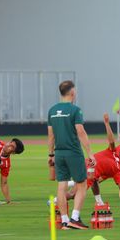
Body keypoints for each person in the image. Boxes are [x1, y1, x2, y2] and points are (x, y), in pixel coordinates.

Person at [48, 80, 95, 230]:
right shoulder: (75, 110)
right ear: (72, 92)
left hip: (58, 153)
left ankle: (64, 220)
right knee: (81, 184)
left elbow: (51, 135)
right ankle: (75, 218)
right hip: (73, 152)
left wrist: (50, 154)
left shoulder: (52, 110)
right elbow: (80, 132)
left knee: (61, 185)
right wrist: (90, 154)